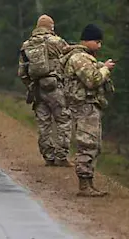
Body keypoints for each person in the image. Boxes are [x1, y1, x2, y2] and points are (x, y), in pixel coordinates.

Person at [64, 24, 116, 197]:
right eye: (97, 41)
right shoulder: (79, 58)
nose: (99, 46)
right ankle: (84, 185)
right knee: (87, 144)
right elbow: (92, 81)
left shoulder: (86, 58)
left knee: (94, 145)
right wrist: (105, 69)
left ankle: (89, 183)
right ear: (87, 40)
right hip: (84, 107)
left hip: (90, 106)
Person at [18, 14, 72, 167]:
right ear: (51, 27)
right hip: (56, 87)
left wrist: (31, 85)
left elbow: (22, 72)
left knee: (44, 124)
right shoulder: (57, 42)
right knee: (63, 120)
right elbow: (70, 63)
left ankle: (48, 156)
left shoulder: (27, 45)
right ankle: (61, 157)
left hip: (37, 89)